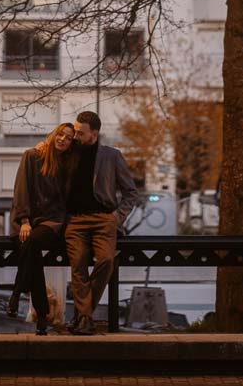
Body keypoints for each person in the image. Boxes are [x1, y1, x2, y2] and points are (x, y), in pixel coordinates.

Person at [64, 110, 139, 336]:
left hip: (104, 219)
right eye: (75, 131)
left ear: (94, 134)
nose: (75, 136)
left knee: (106, 261)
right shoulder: (66, 153)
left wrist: (117, 217)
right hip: (75, 221)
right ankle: (85, 318)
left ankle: (82, 315)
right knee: (77, 265)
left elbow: (131, 193)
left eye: (80, 133)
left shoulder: (112, 156)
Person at [7, 122, 77, 335]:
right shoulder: (32, 155)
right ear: (54, 134)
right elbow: (21, 189)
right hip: (28, 219)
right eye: (61, 134)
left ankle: (17, 291)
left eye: (68, 138)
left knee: (33, 242)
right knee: (33, 253)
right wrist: (25, 220)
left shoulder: (69, 163)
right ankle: (43, 319)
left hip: (53, 221)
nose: (63, 139)